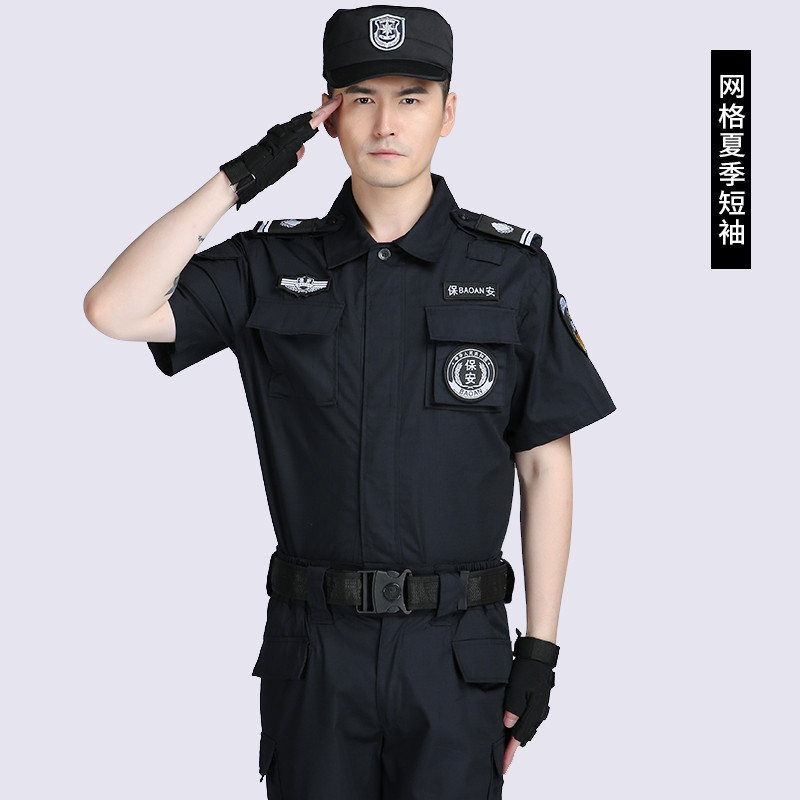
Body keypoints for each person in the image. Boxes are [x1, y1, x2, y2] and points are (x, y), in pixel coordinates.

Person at [84, 5, 615, 798]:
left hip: (456, 658)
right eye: (362, 98)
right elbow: (114, 309)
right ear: (329, 115)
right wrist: (245, 175)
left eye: (411, 98)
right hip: (317, 656)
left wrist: (540, 651)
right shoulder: (271, 266)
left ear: (448, 113)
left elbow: (544, 467)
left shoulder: (512, 274)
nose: (386, 123)